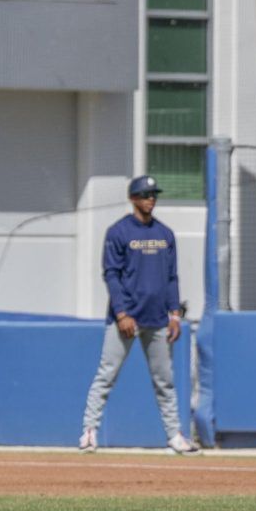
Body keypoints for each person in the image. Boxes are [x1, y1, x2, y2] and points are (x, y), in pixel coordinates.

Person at [79, 175, 200, 455]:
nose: (151, 199)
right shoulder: (119, 231)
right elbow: (111, 274)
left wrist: (174, 314)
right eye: (145, 195)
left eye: (153, 194)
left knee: (165, 381)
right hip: (125, 319)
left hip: (158, 318)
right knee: (106, 374)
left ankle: (174, 436)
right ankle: (88, 432)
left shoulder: (165, 233)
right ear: (133, 198)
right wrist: (121, 313)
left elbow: (171, 277)